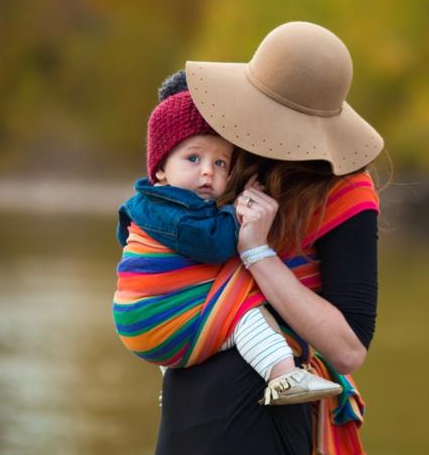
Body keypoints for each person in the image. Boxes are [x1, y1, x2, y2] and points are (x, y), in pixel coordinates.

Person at [155, 21, 384, 455]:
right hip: (186, 397)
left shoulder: (343, 191)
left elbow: (349, 349)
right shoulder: (222, 154)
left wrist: (258, 252)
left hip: (263, 408)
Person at [113, 71, 342, 406]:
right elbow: (214, 244)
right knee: (242, 312)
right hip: (156, 313)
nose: (208, 171)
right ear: (160, 168)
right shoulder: (175, 209)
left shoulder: (147, 204)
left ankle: (174, 388)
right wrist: (238, 210)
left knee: (208, 302)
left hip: (142, 319)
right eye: (194, 158)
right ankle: (282, 376)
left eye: (220, 163)